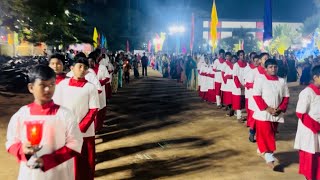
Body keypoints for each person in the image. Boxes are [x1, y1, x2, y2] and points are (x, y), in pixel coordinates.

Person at [6, 65, 83, 180]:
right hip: (30, 173)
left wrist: (48, 160)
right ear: (31, 87)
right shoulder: (22, 115)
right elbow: (11, 142)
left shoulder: (65, 115)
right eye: (42, 85)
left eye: (52, 85)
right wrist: (23, 149)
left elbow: (75, 143)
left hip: (59, 173)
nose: (48, 89)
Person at [53, 57, 100, 180]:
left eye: (85, 68)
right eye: (79, 66)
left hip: (85, 133)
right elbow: (56, 107)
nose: (82, 69)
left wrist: (79, 129)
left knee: (85, 164)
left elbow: (94, 109)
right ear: (72, 68)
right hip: (65, 132)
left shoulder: (90, 87)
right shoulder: (62, 85)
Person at [252, 59, 290, 169]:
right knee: (265, 133)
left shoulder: (282, 81)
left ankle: (261, 150)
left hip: (276, 113)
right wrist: (267, 108)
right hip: (263, 113)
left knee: (271, 133)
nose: (273, 69)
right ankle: (269, 156)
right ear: (266, 68)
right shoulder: (260, 79)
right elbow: (256, 95)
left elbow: (286, 97)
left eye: (275, 67)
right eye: (270, 67)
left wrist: (281, 108)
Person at [294, 65, 320, 180]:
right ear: (315, 77)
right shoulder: (307, 92)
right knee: (310, 158)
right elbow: (301, 113)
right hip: (309, 131)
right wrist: (316, 127)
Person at [88, 52, 110, 132]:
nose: (90, 63)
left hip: (100, 92)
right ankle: (93, 127)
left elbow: (107, 78)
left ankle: (98, 127)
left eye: (92, 61)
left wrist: (98, 83)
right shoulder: (86, 70)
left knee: (100, 109)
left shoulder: (102, 67)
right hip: (90, 93)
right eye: (89, 61)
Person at [232, 50, 248, 123]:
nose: (243, 56)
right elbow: (235, 77)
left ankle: (244, 115)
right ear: (238, 56)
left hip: (245, 85)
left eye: (243, 55)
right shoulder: (236, 65)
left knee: (244, 101)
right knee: (238, 101)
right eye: (241, 55)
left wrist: (246, 84)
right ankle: (239, 116)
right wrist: (240, 85)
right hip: (238, 86)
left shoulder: (247, 64)